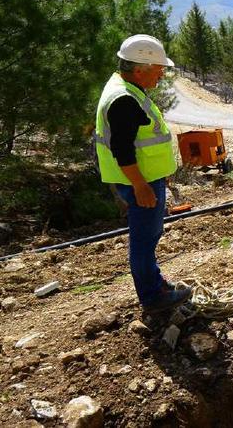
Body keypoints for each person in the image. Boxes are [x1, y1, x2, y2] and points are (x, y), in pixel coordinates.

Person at [93, 34, 192, 313]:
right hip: (139, 182)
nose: (162, 75)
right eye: (159, 70)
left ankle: (156, 285)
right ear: (140, 69)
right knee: (144, 240)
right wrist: (141, 185)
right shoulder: (124, 99)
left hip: (145, 178)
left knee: (148, 236)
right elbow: (122, 149)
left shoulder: (126, 87)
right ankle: (153, 297)